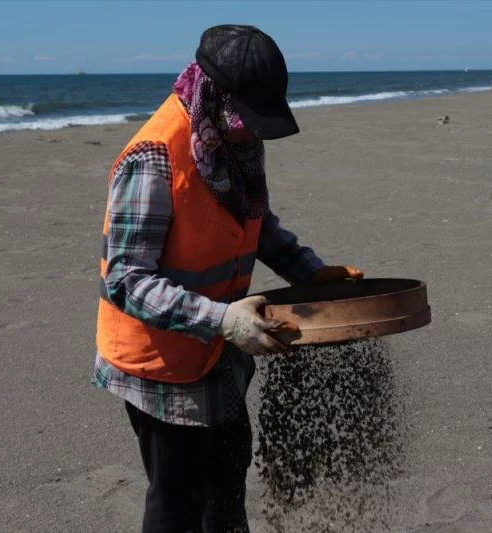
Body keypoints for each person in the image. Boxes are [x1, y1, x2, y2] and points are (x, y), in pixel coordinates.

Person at [93, 25, 362, 533]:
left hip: (220, 352)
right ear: (215, 94)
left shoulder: (229, 144)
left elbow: (253, 222)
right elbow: (125, 280)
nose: (254, 132)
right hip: (161, 364)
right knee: (178, 500)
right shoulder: (153, 158)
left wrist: (309, 272)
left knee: (227, 476)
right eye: (249, 119)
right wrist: (222, 319)